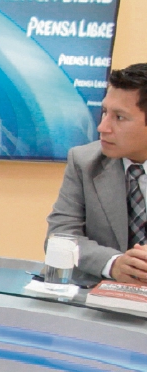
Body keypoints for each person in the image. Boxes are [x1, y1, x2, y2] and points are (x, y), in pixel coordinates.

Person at [47, 63, 147, 283]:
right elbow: (59, 237)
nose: (102, 127)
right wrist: (114, 264)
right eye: (104, 112)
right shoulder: (84, 161)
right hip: (99, 301)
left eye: (119, 117)